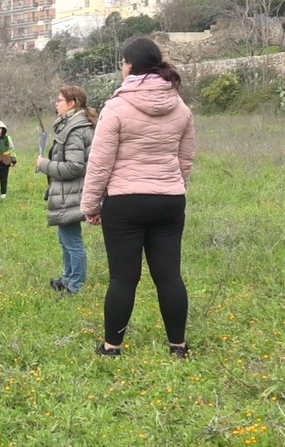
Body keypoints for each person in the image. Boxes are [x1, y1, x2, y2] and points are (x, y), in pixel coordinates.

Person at [80, 37, 195, 359]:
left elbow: (100, 162)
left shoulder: (116, 107)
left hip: (125, 202)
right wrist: (173, 186)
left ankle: (112, 347)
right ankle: (178, 346)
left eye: (122, 63)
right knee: (169, 275)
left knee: (123, 277)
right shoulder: (181, 108)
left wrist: (90, 205)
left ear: (129, 66)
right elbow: (185, 159)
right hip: (170, 200)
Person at [36, 86, 97, 295]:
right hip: (67, 191)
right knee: (66, 238)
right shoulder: (72, 125)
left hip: (72, 191)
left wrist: (44, 164)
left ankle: (75, 285)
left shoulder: (75, 129)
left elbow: (74, 167)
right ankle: (68, 277)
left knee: (72, 240)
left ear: (72, 103)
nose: (56, 103)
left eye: (60, 100)